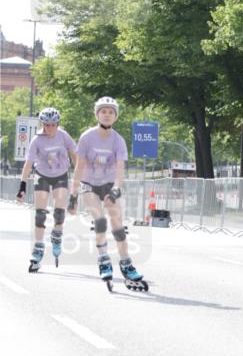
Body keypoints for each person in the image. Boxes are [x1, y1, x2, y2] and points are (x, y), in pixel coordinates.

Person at [68, 97, 148, 292]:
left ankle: (126, 264)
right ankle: (103, 259)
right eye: (103, 111)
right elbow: (79, 167)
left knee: (118, 225)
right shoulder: (87, 137)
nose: (107, 114)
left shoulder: (118, 140)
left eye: (111, 112)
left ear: (115, 116)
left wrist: (116, 188)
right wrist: (73, 195)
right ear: (97, 114)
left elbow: (120, 170)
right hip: (89, 184)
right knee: (100, 220)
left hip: (109, 184)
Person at [17, 108, 77, 271]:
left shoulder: (64, 136)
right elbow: (28, 164)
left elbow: (74, 155)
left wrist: (78, 177)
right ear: (42, 124)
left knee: (59, 212)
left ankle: (57, 237)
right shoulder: (36, 140)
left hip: (61, 175)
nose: (50, 128)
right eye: (47, 125)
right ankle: (38, 248)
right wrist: (22, 186)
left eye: (53, 125)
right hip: (42, 174)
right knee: (40, 214)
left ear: (58, 124)